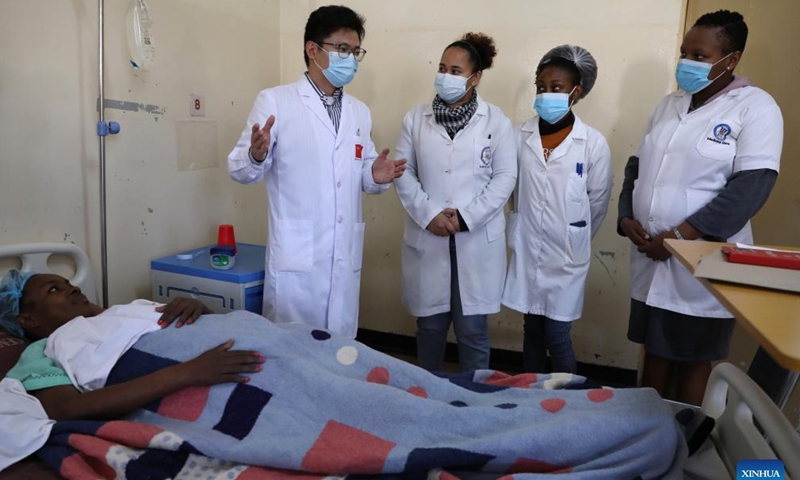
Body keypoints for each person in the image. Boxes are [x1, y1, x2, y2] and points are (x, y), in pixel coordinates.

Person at [618, 10, 783, 405]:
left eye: (700, 55)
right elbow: (636, 167)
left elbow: (751, 188)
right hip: (650, 254)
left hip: (701, 261)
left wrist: (678, 238)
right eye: (683, 53)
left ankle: (687, 449)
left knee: (692, 360)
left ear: (732, 59)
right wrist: (626, 218)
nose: (686, 63)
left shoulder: (755, 108)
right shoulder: (668, 105)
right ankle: (647, 439)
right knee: (654, 351)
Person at [227, 5, 406, 338]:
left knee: (340, 353)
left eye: (355, 52)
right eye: (342, 49)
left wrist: (374, 175)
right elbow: (240, 170)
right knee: (293, 356)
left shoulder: (359, 112)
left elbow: (361, 169)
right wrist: (255, 153)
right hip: (298, 261)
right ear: (313, 49)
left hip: (343, 257)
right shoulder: (276, 101)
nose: (350, 59)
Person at [394, 33, 516, 372]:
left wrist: (465, 218)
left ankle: (476, 400)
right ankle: (427, 393)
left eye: (456, 71)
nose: (446, 77)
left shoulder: (497, 122)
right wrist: (430, 214)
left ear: (475, 77)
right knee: (430, 326)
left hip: (474, 236)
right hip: (428, 232)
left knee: (473, 330)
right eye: (442, 68)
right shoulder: (414, 119)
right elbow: (403, 173)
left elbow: (505, 177)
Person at [0, 270, 263, 420]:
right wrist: (188, 372)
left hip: (253, 340)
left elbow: (215, 330)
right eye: (53, 290)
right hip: (209, 374)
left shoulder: (126, 310)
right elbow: (65, 409)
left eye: (68, 283)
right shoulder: (42, 351)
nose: (71, 288)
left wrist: (200, 309)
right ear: (28, 320)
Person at [502, 45, 612, 374]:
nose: (546, 94)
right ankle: (531, 396)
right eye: (541, 87)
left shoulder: (592, 143)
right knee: (531, 328)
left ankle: (570, 402)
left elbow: (598, 201)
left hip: (567, 254)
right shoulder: (518, 135)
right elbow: (511, 189)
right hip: (528, 247)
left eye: (557, 88)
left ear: (576, 92)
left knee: (557, 333)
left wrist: (572, 236)